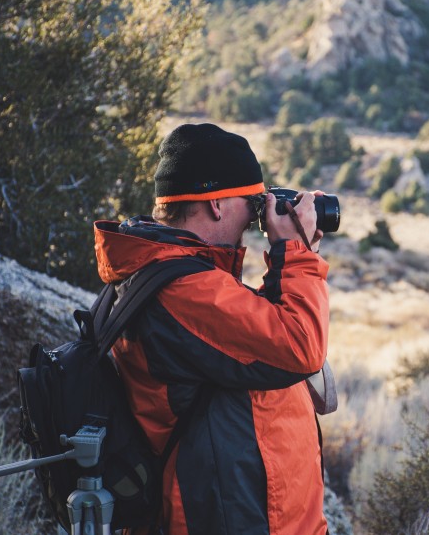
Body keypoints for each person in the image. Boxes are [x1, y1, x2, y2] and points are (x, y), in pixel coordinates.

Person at [93, 123, 330, 534]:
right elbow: (298, 345)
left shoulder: (182, 274)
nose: (258, 216)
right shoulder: (181, 287)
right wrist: (295, 252)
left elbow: (247, 332)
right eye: (252, 202)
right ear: (217, 204)